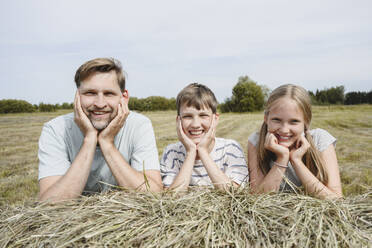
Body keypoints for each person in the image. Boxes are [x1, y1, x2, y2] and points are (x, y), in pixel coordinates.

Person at [38, 58, 163, 202]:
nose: (100, 103)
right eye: (90, 93)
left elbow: (154, 195)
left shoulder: (140, 125)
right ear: (77, 96)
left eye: (109, 93)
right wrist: (90, 138)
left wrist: (107, 143)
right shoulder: (55, 130)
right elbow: (49, 205)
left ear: (124, 98)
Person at [247, 84, 342, 199]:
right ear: (266, 118)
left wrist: (296, 161)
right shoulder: (256, 142)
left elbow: (336, 199)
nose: (284, 130)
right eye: (276, 120)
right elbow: (256, 199)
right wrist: (282, 158)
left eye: (294, 121)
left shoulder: (320, 139)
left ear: (306, 122)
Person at [160, 83, 248, 190]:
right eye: (187, 116)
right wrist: (190, 152)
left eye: (203, 115)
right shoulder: (171, 153)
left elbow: (235, 193)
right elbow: (172, 197)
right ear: (178, 120)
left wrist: (203, 151)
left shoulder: (230, 149)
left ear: (215, 119)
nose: (195, 124)